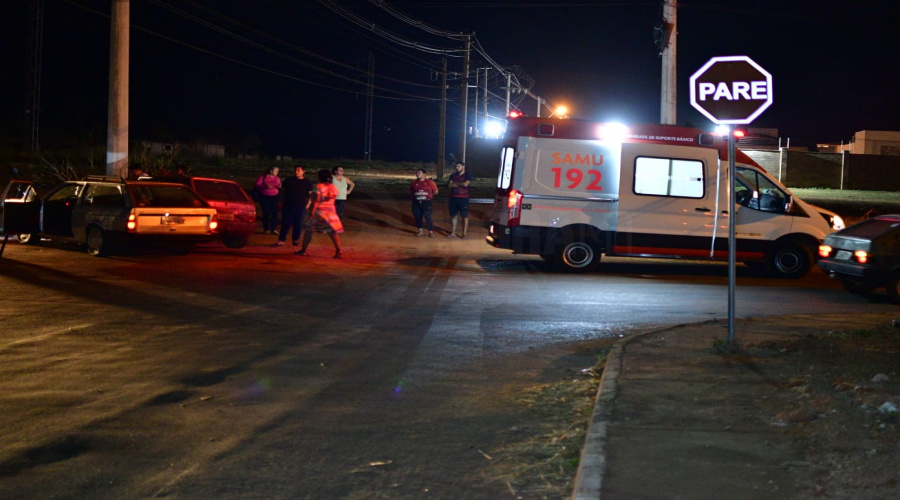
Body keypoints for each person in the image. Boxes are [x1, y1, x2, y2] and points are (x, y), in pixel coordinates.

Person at [297, 169, 344, 258]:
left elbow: (316, 201)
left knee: (309, 230)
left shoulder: (318, 186)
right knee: (332, 232)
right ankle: (339, 251)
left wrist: (312, 212)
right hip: (331, 212)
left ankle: (303, 250)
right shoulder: (334, 187)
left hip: (320, 212)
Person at [274, 165, 313, 247]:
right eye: (295, 170)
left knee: (298, 223)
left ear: (303, 171)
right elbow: (283, 192)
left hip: (300, 206)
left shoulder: (307, 182)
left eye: (299, 170)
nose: (296, 172)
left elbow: (310, 195)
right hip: (288, 205)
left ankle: (295, 239)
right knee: (285, 222)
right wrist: (280, 202)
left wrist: (308, 204)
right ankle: (281, 239)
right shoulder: (288, 180)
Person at [446, 161, 473, 238]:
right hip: (453, 198)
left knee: (464, 216)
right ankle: (453, 233)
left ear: (463, 166)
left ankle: (464, 234)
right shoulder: (453, 175)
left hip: (463, 198)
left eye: (458, 166)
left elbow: (466, 184)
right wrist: (461, 183)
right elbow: (449, 185)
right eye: (456, 166)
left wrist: (455, 183)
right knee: (454, 215)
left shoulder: (468, 175)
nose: (457, 168)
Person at [410, 168, 438, 237]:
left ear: (424, 174)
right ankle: (420, 231)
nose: (417, 174)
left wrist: (428, 196)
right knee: (418, 216)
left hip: (426, 202)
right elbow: (411, 192)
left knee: (428, 216)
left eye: (419, 173)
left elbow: (436, 191)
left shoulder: (430, 182)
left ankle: (430, 232)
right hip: (416, 202)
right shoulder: (413, 183)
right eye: (416, 173)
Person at [255, 166, 282, 234]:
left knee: (274, 213)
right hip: (265, 197)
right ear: (271, 171)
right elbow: (258, 185)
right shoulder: (263, 177)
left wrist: (278, 186)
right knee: (266, 213)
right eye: (276, 171)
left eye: (277, 171)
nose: (277, 172)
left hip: (274, 197)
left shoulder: (277, 178)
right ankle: (266, 228)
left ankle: (274, 228)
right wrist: (265, 186)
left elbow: (279, 185)